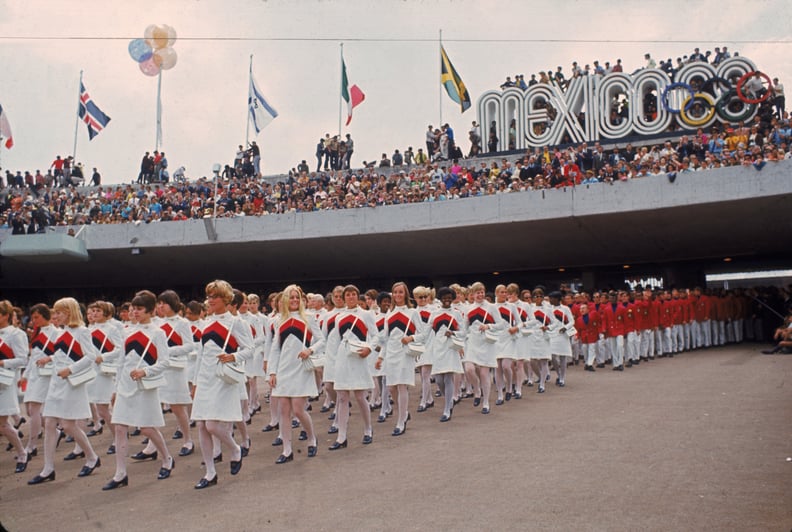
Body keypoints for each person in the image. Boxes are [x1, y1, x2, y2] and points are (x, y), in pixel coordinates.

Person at [102, 290, 174, 490]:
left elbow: (165, 361)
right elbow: (121, 361)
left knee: (147, 428)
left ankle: (167, 458)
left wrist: (146, 371)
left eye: (139, 308)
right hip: (125, 386)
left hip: (145, 387)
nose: (134, 312)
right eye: (133, 308)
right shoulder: (125, 331)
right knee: (120, 428)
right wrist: (116, 388)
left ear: (150, 311)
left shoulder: (158, 332)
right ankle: (120, 473)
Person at [29, 297, 101, 485]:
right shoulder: (62, 332)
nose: (55, 316)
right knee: (50, 422)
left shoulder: (82, 331)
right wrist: (50, 359)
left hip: (71, 384)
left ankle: (92, 457)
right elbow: (63, 353)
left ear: (69, 312)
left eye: (59, 313)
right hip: (56, 382)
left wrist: (70, 370)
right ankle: (48, 468)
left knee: (69, 426)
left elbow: (91, 356)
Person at [190, 280, 253, 489]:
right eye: (208, 296)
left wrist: (232, 357)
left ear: (225, 299)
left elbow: (249, 349)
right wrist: (195, 381)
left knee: (213, 425)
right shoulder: (205, 322)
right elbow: (200, 355)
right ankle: (210, 472)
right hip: (205, 378)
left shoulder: (236, 323)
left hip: (223, 378)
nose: (210, 300)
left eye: (214, 296)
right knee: (201, 425)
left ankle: (235, 449)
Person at [267, 285, 324, 463]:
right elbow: (275, 348)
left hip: (301, 367)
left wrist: (310, 350)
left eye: (296, 297)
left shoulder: (309, 317)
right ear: (284, 300)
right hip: (283, 369)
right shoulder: (279, 320)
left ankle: (312, 438)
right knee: (284, 410)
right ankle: (286, 450)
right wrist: (272, 372)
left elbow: (322, 339)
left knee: (299, 409)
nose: (294, 300)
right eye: (290, 297)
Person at [329, 285, 377, 448]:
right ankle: (341, 436)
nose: (350, 297)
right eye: (347, 295)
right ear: (343, 297)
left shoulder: (366, 315)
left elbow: (377, 336)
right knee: (342, 397)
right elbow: (335, 341)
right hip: (343, 358)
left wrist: (369, 348)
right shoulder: (338, 317)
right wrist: (334, 362)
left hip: (359, 357)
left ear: (358, 296)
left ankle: (368, 429)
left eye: (353, 294)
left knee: (359, 396)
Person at [376, 282, 425, 435]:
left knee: (402, 386)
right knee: (391, 388)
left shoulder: (413, 312)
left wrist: (411, 338)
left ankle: (400, 420)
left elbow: (423, 335)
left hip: (405, 353)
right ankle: (403, 413)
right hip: (391, 353)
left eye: (400, 292)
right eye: (395, 292)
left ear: (405, 294)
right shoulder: (389, 314)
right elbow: (385, 338)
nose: (397, 295)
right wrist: (380, 357)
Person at [86, 301, 123, 454]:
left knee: (103, 408)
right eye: (92, 311)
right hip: (90, 371)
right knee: (96, 407)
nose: (94, 313)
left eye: (98, 311)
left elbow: (120, 349)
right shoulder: (88, 329)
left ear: (106, 313)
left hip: (104, 372)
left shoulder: (112, 328)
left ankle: (117, 437)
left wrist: (104, 356)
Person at [461, 282, 504, 412]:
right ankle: (477, 390)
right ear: (472, 294)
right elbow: (464, 328)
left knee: (485, 374)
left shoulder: (491, 307)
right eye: (477, 292)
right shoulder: (468, 309)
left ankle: (486, 403)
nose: (480, 294)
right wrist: (459, 342)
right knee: (468, 369)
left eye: (482, 292)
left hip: (486, 343)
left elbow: (501, 324)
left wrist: (489, 326)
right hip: (472, 343)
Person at [22, 304, 58, 460]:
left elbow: (62, 354)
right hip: (34, 375)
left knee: (34, 408)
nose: (34, 320)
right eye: (32, 317)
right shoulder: (37, 333)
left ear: (45, 316)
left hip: (46, 374)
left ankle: (32, 445)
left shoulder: (56, 333)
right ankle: (55, 432)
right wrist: (25, 375)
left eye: (37, 317)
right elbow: (33, 356)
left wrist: (49, 358)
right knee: (30, 411)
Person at [0, 300, 30, 473]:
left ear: (5, 315)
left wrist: (3, 362)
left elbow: (22, 359)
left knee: (2, 423)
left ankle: (22, 453)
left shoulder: (16, 334)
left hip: (5, 381)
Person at [427, 287, 465, 422]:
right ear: (440, 298)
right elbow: (426, 332)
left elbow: (464, 333)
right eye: (444, 297)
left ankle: (447, 408)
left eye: (449, 297)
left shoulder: (457, 314)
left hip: (450, 348)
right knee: (439, 380)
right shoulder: (434, 313)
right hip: (437, 349)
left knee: (448, 378)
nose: (447, 300)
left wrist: (453, 333)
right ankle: (448, 401)